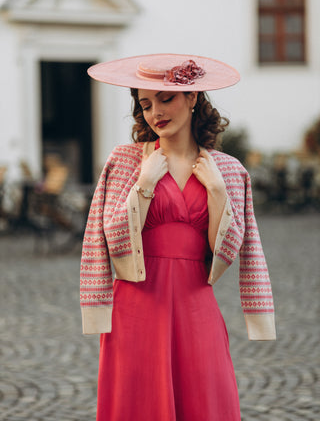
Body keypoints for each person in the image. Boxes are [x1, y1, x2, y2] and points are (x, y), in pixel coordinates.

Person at [80, 54, 276, 421]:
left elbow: (234, 249)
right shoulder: (125, 161)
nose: (155, 112)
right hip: (135, 306)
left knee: (207, 400)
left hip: (196, 301)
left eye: (165, 98)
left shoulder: (229, 170)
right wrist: (145, 183)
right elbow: (106, 235)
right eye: (145, 103)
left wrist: (217, 192)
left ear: (192, 97)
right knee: (139, 404)